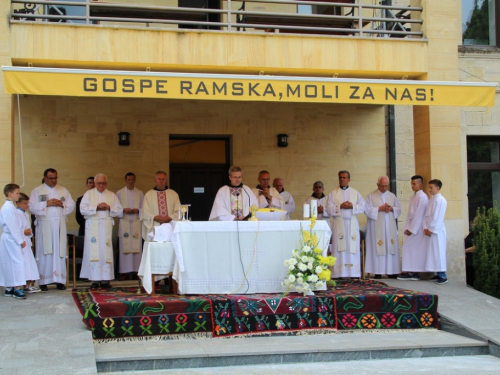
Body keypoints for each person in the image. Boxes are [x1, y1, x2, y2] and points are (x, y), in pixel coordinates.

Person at [29, 168, 75, 291]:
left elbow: (71, 204)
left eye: (55, 178)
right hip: (45, 226)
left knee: (59, 253)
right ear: (45, 178)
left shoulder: (63, 190)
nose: (53, 180)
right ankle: (43, 281)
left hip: (59, 225)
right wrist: (46, 204)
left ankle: (59, 281)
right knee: (45, 252)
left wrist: (62, 204)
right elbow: (31, 206)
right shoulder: (37, 191)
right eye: (51, 178)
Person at [80, 173, 123, 289]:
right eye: (99, 183)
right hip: (93, 226)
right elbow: (82, 209)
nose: (101, 185)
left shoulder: (112, 195)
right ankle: (94, 280)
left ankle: (105, 279)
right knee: (94, 251)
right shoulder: (88, 194)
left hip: (106, 227)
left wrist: (109, 207)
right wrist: (96, 207)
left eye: (103, 183)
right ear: (94, 183)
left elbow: (120, 211)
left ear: (106, 183)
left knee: (105, 252)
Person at [325, 170, 365, 278]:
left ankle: (353, 273)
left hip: (352, 223)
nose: (342, 179)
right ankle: (339, 274)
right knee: (339, 248)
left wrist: (352, 206)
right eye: (340, 177)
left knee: (352, 248)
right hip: (339, 224)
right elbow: (328, 208)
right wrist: (339, 206)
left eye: (344, 177)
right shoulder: (333, 193)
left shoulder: (355, 192)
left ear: (349, 179)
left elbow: (363, 206)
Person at [364, 176, 402, 279]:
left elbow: (399, 209)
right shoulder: (371, 196)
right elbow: (366, 210)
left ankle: (391, 271)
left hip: (389, 227)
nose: (384, 188)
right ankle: (378, 271)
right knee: (378, 246)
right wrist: (379, 208)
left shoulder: (392, 196)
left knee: (390, 246)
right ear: (377, 185)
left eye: (386, 186)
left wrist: (392, 208)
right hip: (377, 227)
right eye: (382, 186)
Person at [397, 175, 429, 281]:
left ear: (420, 184)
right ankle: (411, 271)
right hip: (412, 226)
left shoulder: (422, 197)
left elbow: (419, 215)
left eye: (414, 184)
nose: (412, 186)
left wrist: (411, 229)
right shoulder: (413, 197)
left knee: (413, 249)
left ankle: (414, 272)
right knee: (408, 248)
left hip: (418, 228)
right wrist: (407, 227)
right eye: (411, 183)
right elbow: (409, 215)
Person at [0, 184, 27, 299]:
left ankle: (9, 287)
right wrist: (20, 240)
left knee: (9, 262)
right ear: (9, 194)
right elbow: (13, 226)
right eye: (16, 193)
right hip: (11, 238)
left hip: (9, 237)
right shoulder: (8, 208)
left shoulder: (9, 207)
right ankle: (16, 288)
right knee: (18, 262)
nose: (18, 195)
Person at [116, 172, 144, 279]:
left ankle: (137, 271)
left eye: (132, 179)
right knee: (125, 247)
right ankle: (124, 272)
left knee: (137, 249)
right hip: (125, 223)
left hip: (136, 223)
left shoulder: (140, 193)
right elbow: (116, 208)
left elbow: (144, 208)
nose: (131, 182)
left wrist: (138, 210)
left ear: (135, 180)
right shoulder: (119, 193)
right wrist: (123, 210)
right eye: (129, 180)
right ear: (125, 180)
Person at [141, 171, 181, 239]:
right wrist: (154, 217)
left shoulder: (173, 194)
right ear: (155, 180)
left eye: (163, 179)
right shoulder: (148, 194)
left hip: (170, 226)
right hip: (155, 226)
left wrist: (171, 217)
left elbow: (178, 210)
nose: (161, 181)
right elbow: (145, 211)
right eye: (159, 179)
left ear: (166, 181)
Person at [423, 179, 448, 285]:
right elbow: (427, 215)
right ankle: (437, 272)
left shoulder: (441, 200)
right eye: (429, 187)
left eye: (431, 187)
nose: (429, 190)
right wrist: (425, 227)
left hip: (436, 231)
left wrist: (431, 230)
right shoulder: (432, 200)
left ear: (437, 188)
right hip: (430, 229)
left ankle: (443, 275)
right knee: (433, 252)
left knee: (438, 252)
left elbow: (438, 217)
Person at [16, 193, 41, 293]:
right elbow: (14, 229)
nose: (27, 205)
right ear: (18, 203)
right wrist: (23, 232)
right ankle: (22, 285)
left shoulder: (26, 214)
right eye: (24, 203)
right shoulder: (15, 213)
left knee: (29, 264)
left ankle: (28, 284)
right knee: (24, 264)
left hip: (26, 241)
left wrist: (29, 232)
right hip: (20, 242)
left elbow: (28, 227)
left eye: (28, 203)